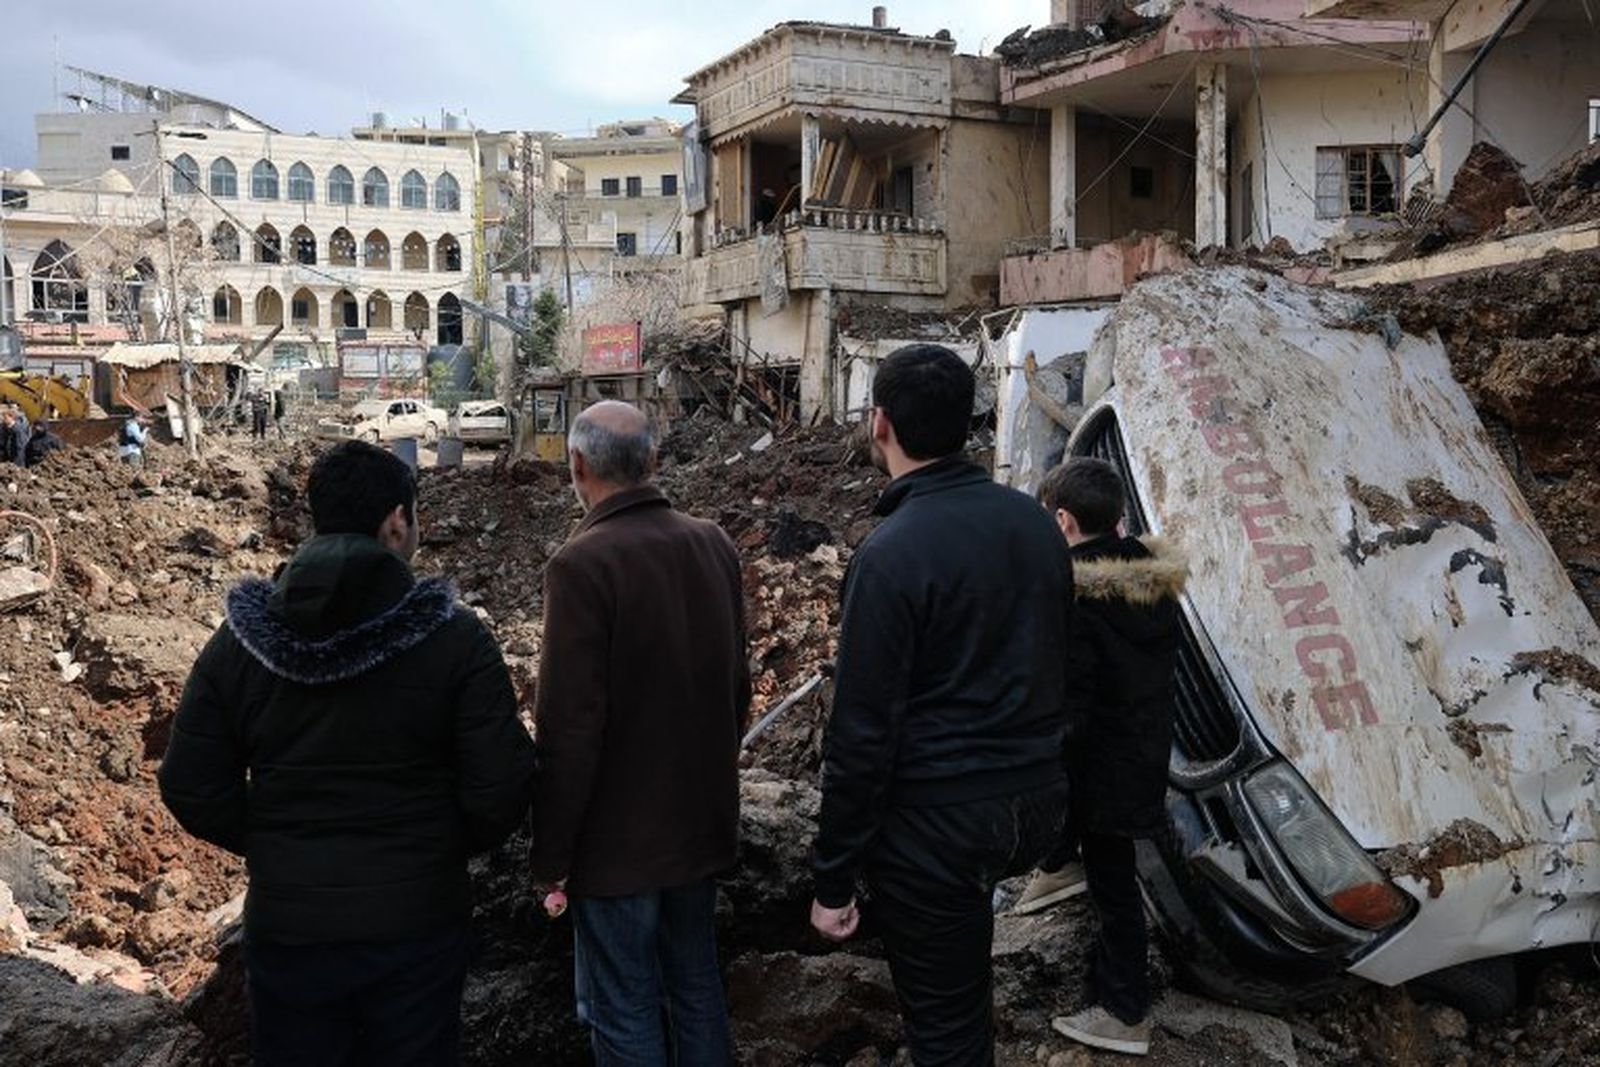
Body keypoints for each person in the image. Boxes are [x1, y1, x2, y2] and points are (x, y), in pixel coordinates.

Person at [159, 440, 535, 1066]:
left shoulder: (242, 644)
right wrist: (432, 847)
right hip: (416, 926)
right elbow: (502, 786)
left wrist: (276, 841)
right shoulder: (456, 640)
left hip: (290, 928)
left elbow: (190, 782)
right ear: (397, 520)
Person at [810, 344, 1075, 1066]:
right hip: (1037, 802)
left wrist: (833, 876)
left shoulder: (891, 553)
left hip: (941, 824)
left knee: (947, 1032)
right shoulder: (1034, 524)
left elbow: (862, 733)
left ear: (881, 424)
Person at [530, 400, 748, 1065]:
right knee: (696, 986)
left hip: (618, 847)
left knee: (625, 1009)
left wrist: (551, 855)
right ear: (655, 461)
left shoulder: (581, 564)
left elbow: (570, 729)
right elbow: (736, 688)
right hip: (700, 829)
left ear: (577, 466)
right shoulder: (713, 542)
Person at [1021, 457, 1186, 1058]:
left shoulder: (1074, 596)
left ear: (1063, 521)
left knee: (1116, 891)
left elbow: (1072, 702)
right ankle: (1061, 862)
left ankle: (1125, 1010)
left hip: (1101, 767)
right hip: (1141, 749)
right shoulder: (1151, 580)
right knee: (1109, 868)